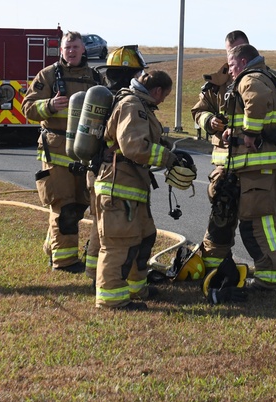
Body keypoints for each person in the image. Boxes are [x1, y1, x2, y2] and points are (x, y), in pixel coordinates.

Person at [194, 32, 276, 277]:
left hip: (257, 164)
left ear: (245, 55)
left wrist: (250, 132)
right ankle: (216, 267)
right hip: (229, 166)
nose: (232, 59)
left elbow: (265, 105)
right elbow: (198, 111)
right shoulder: (218, 82)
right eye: (229, 52)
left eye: (237, 52)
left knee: (264, 221)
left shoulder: (261, 78)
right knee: (223, 216)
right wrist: (210, 122)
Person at [93, 70, 188, 310]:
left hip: (132, 187)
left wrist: (172, 152)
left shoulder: (140, 106)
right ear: (156, 91)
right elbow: (133, 146)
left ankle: (137, 288)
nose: (163, 100)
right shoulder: (132, 105)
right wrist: (168, 158)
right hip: (118, 187)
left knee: (144, 237)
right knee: (119, 243)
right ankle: (111, 299)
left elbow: (145, 140)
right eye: (165, 96)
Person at [22, 31, 102, 272]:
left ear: (83, 49)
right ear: (61, 50)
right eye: (68, 47)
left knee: (79, 205)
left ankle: (53, 245)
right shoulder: (47, 75)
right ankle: (64, 261)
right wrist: (49, 105)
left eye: (76, 47)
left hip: (86, 149)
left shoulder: (95, 77)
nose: (72, 51)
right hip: (57, 151)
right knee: (64, 205)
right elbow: (27, 108)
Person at [217, 44, 276, 290]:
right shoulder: (274, 77)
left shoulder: (250, 78)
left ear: (243, 61)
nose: (229, 71)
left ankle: (269, 279)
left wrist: (249, 131)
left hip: (259, 172)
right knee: (272, 225)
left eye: (230, 65)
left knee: (256, 226)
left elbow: (256, 99)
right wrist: (234, 130)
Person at [83, 45, 149, 284]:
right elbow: (131, 144)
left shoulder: (102, 97)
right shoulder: (126, 102)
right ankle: (107, 284)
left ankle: (94, 274)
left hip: (96, 171)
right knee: (116, 235)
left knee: (99, 229)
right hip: (114, 173)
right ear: (129, 74)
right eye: (138, 73)